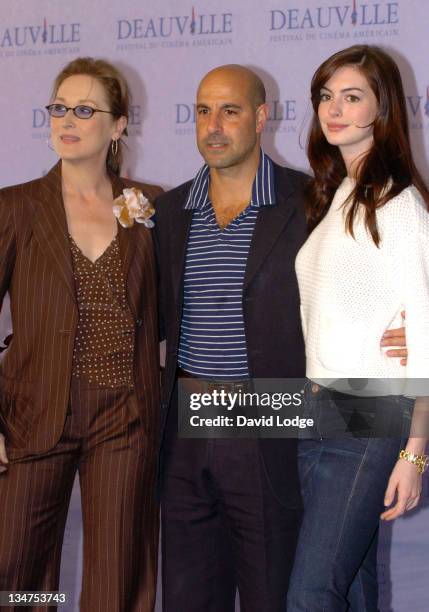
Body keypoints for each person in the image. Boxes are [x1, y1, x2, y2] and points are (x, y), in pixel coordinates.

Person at [153, 64, 407, 612]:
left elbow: (357, 284)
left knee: (279, 593)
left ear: (262, 116)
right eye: (202, 111)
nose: (214, 125)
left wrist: (391, 334)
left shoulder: (313, 201)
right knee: (187, 597)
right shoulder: (167, 213)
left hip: (271, 427)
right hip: (187, 429)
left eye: (231, 110)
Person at [0, 57, 162, 612]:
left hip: (125, 417)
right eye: (60, 107)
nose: (67, 120)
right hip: (34, 412)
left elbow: (175, 308)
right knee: (14, 574)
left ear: (118, 126)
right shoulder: (14, 207)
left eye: (85, 109)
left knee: (118, 577)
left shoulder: (147, 207)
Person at [287, 44, 429, 612]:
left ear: (382, 110)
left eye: (352, 97)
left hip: (370, 415)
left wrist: (415, 452)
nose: (334, 109)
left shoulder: (397, 203)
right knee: (353, 587)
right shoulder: (338, 194)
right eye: (326, 96)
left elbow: (424, 326)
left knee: (311, 595)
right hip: (317, 411)